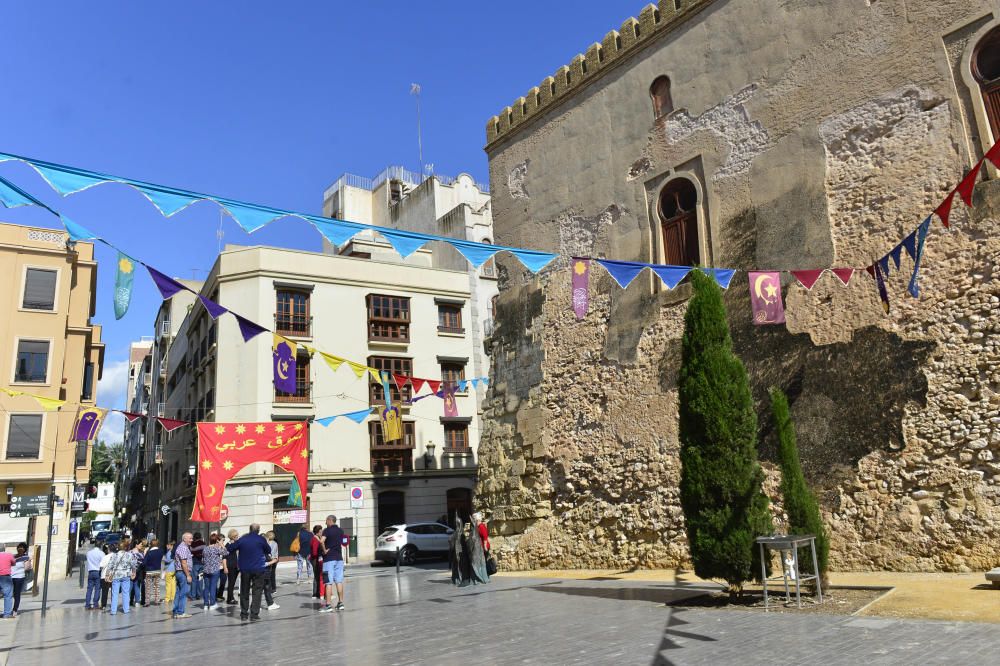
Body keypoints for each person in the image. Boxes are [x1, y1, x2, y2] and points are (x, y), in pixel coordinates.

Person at [222, 524, 272, 621]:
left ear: (249, 530)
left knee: (244, 591)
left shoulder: (243, 539)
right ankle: (254, 614)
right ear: (258, 530)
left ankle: (244, 614)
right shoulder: (261, 539)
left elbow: (230, 548)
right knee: (257, 591)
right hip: (258, 569)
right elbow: (268, 550)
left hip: (245, 569)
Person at [318, 515, 345, 613]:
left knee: (328, 582)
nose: (325, 523)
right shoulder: (340, 530)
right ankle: (341, 603)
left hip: (329, 559)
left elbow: (321, 541)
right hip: (339, 558)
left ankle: (328, 605)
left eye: (326, 521)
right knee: (339, 581)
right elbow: (343, 542)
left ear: (330, 520)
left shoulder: (327, 530)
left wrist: (324, 550)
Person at [107, 541, 137, 615]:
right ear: (125, 547)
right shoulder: (130, 555)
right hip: (126, 575)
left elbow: (110, 566)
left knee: (115, 593)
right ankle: (126, 609)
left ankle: (113, 610)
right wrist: (134, 572)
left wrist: (107, 575)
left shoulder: (114, 555)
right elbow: (133, 565)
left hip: (116, 575)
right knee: (126, 593)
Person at [172, 532, 194, 619]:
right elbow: (184, 563)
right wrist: (188, 575)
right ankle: (180, 612)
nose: (191, 540)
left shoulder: (182, 547)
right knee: (184, 593)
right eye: (190, 538)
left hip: (179, 572)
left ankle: (176, 612)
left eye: (192, 538)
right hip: (183, 573)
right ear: (184, 539)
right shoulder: (183, 548)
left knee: (178, 593)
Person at [201, 533, 226, 610]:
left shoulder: (205, 548)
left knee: (206, 588)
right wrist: (222, 545)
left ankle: (205, 604)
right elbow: (226, 553)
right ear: (217, 540)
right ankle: (212, 604)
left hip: (206, 570)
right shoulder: (216, 548)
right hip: (215, 570)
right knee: (213, 587)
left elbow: (202, 560)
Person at [466, 515, 490, 585]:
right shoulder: (477, 527)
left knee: (483, 562)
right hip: (479, 547)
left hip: (483, 547)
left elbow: (485, 537)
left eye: (474, 519)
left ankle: (485, 577)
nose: (474, 521)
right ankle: (484, 577)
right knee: (481, 562)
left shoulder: (481, 526)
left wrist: (485, 546)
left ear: (477, 520)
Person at [142, 539, 163, 606]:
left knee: (148, 587)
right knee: (156, 586)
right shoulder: (161, 551)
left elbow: (144, 562)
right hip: (157, 570)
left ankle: (147, 602)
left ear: (151, 544)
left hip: (149, 571)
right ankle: (157, 601)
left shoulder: (149, 552)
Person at [449, 514, 468, 587]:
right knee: (457, 566)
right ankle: (457, 578)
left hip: (458, 553)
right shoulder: (460, 532)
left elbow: (455, 543)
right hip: (458, 552)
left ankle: (458, 579)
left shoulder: (458, 533)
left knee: (458, 566)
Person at [11, 543, 30, 616]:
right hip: (10, 577)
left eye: (22, 548)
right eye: (19, 547)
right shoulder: (13, 556)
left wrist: (28, 562)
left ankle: (15, 610)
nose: (20, 549)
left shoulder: (26, 557)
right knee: (9, 594)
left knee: (16, 594)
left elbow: (27, 568)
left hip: (19, 577)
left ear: (24, 550)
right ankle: (9, 609)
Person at [223, 529, 240, 604]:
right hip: (231, 566)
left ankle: (231, 597)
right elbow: (224, 557)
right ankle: (230, 599)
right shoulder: (228, 545)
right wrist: (225, 567)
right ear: (232, 537)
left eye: (237, 536)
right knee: (231, 582)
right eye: (236, 536)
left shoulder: (236, 544)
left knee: (232, 582)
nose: (237, 537)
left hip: (236, 566)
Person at [85, 540, 104, 609]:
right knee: (97, 588)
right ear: (100, 545)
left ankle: (87, 604)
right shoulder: (101, 553)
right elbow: (103, 563)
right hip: (98, 572)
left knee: (89, 589)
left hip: (90, 572)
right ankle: (95, 604)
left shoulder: (89, 553)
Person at [265, 531, 280, 610]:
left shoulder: (266, 543)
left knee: (267, 577)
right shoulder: (275, 543)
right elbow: (275, 553)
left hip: (266, 561)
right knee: (272, 575)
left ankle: (271, 588)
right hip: (272, 560)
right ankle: (273, 588)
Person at [129, 539, 147, 606]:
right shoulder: (141, 553)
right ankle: (137, 602)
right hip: (138, 571)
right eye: (140, 544)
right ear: (136, 545)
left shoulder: (130, 552)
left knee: (131, 586)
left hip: (131, 571)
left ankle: (129, 601)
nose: (141, 545)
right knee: (136, 586)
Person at [189, 532, 205, 600]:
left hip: (195, 563)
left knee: (194, 580)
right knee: (200, 580)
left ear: (195, 537)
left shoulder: (193, 544)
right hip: (202, 564)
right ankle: (200, 595)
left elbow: (191, 552)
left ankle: (193, 596)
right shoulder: (204, 544)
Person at [0, 544, 14, 619]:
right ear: (4, 548)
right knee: (8, 595)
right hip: (5, 577)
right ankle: (7, 614)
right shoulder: (9, 555)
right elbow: (13, 563)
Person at [309, 525, 323, 599]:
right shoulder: (315, 539)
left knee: (317, 575)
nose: (322, 533)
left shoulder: (317, 538)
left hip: (315, 558)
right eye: (321, 531)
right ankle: (315, 593)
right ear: (317, 532)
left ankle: (317, 592)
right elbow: (314, 552)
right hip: (315, 559)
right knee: (316, 575)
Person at [163, 540, 176, 612]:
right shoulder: (175, 552)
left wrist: (164, 559)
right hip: (174, 570)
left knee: (168, 585)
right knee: (173, 584)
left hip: (168, 570)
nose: (166, 546)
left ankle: (167, 598)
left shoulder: (169, 553)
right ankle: (173, 597)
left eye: (168, 545)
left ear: (171, 545)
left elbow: (168, 560)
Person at [99, 544, 112, 610]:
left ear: (108, 550)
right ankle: (113, 604)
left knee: (104, 591)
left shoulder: (105, 557)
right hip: (113, 576)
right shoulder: (116, 556)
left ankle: (103, 605)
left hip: (104, 576)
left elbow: (101, 566)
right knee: (114, 591)